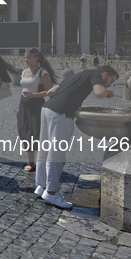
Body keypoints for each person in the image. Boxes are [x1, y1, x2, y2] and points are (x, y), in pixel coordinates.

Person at [35, 65, 119, 209]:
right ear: (105, 74)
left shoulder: (80, 74)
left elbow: (51, 91)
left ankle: (41, 186)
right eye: (111, 80)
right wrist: (108, 92)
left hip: (48, 108)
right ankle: (51, 192)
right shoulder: (95, 75)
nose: (110, 84)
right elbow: (99, 92)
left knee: (45, 149)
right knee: (57, 153)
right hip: (61, 113)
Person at [17, 48, 58, 172]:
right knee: (25, 132)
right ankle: (31, 162)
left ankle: (42, 162)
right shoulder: (24, 72)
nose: (26, 60)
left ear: (36, 58)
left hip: (37, 105)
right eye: (25, 57)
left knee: (37, 133)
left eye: (29, 57)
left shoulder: (42, 72)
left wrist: (34, 95)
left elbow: (49, 92)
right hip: (23, 104)